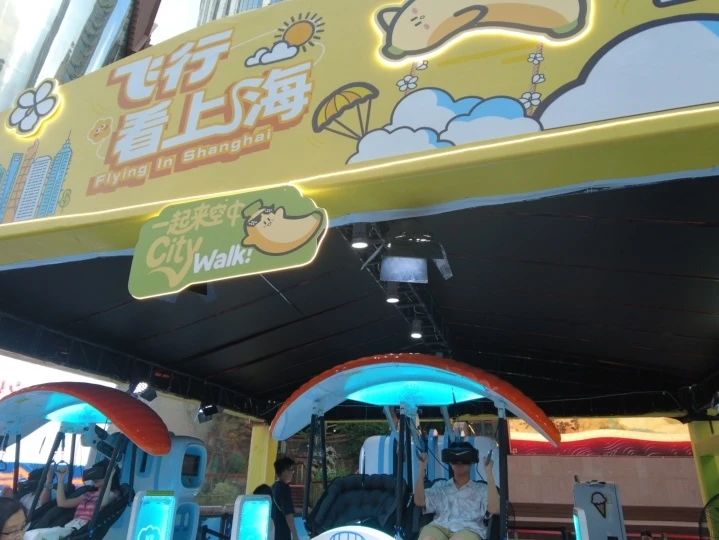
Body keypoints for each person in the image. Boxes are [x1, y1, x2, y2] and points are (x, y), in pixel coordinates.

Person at [414, 442, 500, 540]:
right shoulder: (440, 486)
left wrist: (489, 472)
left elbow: (495, 509)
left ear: (472, 461)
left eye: (464, 459)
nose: (459, 462)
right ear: (450, 462)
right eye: (455, 459)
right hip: (439, 526)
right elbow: (419, 501)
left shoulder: (482, 489)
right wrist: (421, 469)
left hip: (469, 529)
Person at [24, 460, 118, 540]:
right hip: (70, 526)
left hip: (80, 530)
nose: (95, 478)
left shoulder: (112, 494)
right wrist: (61, 478)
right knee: (29, 535)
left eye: (99, 474)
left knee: (37, 536)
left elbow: (102, 504)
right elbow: (62, 503)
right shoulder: (88, 494)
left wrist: (109, 477)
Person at [271, 457, 299, 540]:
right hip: (282, 533)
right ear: (284, 471)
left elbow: (284, 507)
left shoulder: (274, 486)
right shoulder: (284, 488)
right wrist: (295, 534)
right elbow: (288, 513)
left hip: (274, 532)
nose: (293, 472)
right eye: (291, 470)